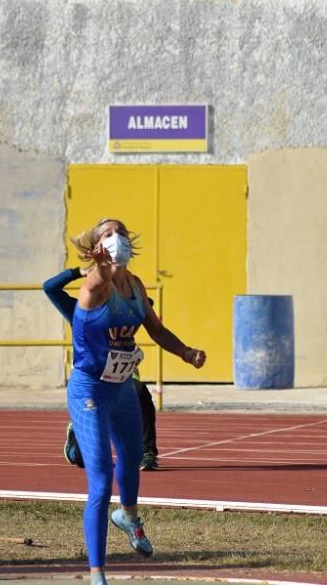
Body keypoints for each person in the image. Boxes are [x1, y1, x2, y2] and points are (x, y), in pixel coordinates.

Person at [65, 217, 205, 585]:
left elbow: (155, 330)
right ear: (97, 245)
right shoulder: (96, 285)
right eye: (108, 234)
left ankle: (128, 516)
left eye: (121, 231)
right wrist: (98, 263)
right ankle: (98, 574)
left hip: (122, 386)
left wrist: (186, 353)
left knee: (130, 460)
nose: (117, 238)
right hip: (90, 390)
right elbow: (100, 277)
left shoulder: (137, 287)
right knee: (101, 478)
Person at [42, 268, 159, 471]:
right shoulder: (79, 310)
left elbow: (147, 307)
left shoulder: (126, 307)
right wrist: (78, 271)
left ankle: (147, 452)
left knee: (139, 391)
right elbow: (50, 288)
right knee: (85, 460)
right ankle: (76, 435)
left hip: (122, 376)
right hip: (92, 381)